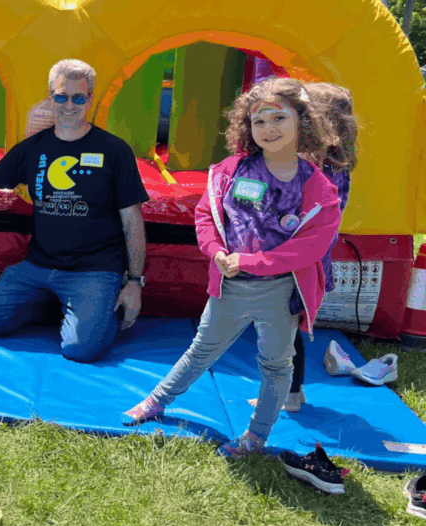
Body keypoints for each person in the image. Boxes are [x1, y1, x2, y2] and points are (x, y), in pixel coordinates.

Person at [121, 78, 341, 459]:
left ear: (301, 122)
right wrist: (215, 250)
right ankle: (157, 401)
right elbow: (207, 214)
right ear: (246, 126)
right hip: (229, 285)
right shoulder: (229, 170)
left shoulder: (319, 189)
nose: (268, 128)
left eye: (279, 118)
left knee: (275, 363)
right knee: (201, 350)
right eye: (259, 121)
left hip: (279, 291)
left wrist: (253, 261)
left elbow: (311, 246)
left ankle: (255, 437)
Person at [0, 59, 149, 361]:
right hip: (39, 265)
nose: (68, 105)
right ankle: (56, 303)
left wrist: (135, 282)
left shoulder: (114, 150)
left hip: (93, 269)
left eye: (78, 98)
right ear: (50, 97)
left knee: (80, 350)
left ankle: (88, 309)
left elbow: (132, 219)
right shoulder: (33, 148)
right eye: (61, 96)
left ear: (90, 99)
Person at [280, 82, 358, 412]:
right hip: (311, 261)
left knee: (283, 330)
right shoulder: (335, 165)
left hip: (300, 262)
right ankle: (293, 392)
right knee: (288, 327)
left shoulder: (317, 169)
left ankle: (290, 395)